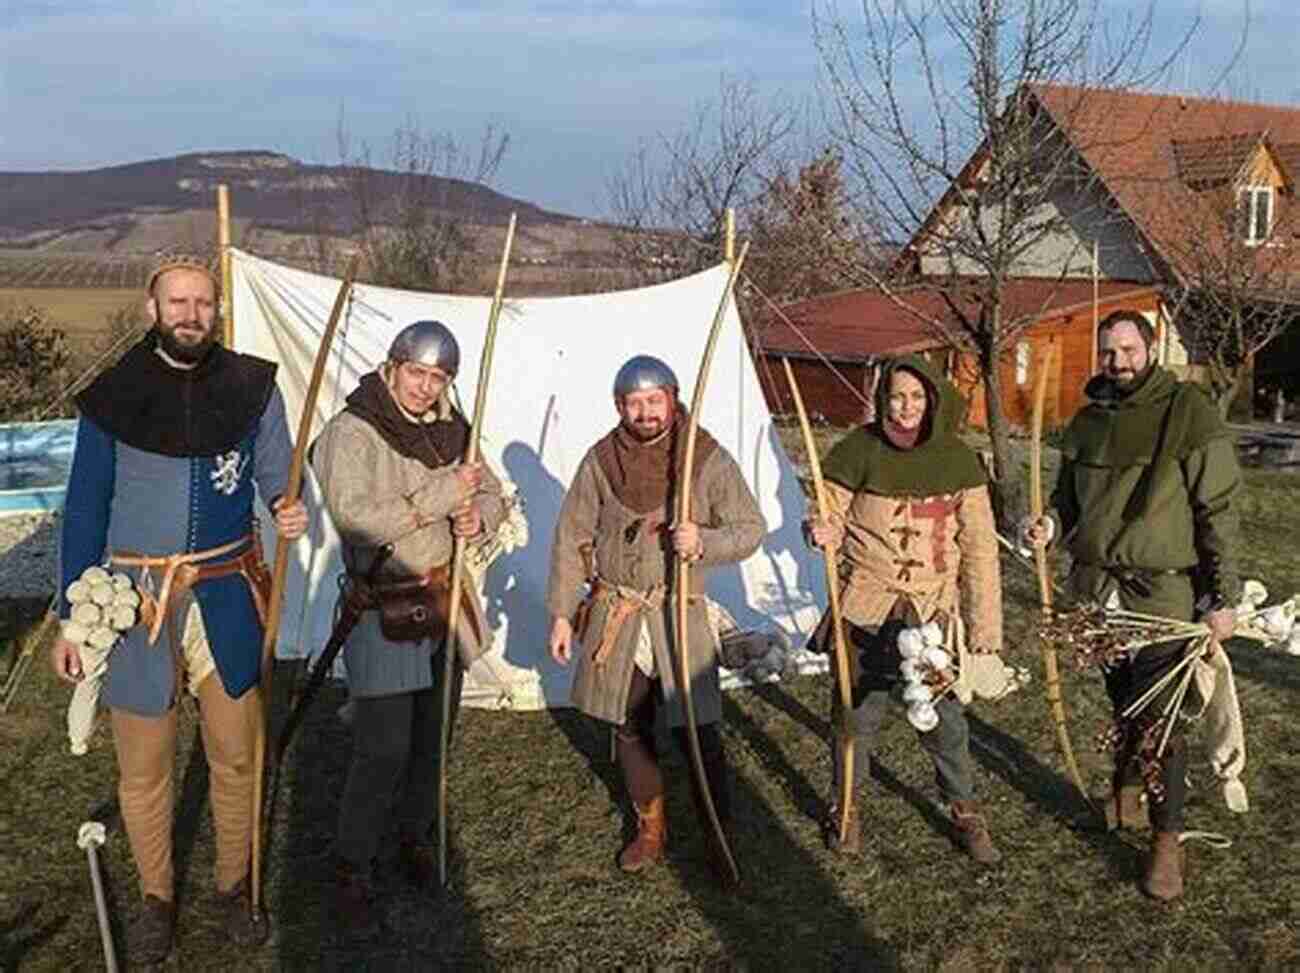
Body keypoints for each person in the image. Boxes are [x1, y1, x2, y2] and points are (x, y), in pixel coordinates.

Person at [50, 253, 308, 964]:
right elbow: (84, 512)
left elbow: (280, 474)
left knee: (235, 753)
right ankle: (158, 896)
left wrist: (289, 504)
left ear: (215, 310)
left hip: (227, 592)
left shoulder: (252, 388)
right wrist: (73, 621)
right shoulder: (113, 396)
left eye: (203, 303)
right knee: (144, 765)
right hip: (138, 605)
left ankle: (232, 885)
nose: (191, 314)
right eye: (178, 302)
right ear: (150, 308)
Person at [1024, 309, 1239, 902]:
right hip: (1097, 590)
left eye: (1128, 349)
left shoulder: (1188, 413)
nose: (1117, 362)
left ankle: (1166, 844)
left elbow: (1218, 508)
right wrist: (1048, 523)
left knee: (1160, 723)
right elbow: (1068, 501)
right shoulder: (1088, 420)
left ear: (1152, 347)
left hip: (1163, 592)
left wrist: (1221, 596)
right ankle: (1124, 799)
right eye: (1108, 352)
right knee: (1123, 705)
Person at [311, 320, 504, 928]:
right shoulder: (353, 430)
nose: (425, 388)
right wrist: (445, 497)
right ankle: (354, 861)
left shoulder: (454, 430)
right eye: (417, 373)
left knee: (431, 738)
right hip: (383, 606)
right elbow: (356, 517)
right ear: (392, 366)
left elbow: (493, 491)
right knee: (383, 746)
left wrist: (484, 518)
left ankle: (413, 835)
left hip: (444, 602)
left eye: (438, 377)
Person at [547, 355, 765, 881]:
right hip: (618, 611)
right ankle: (651, 827)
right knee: (628, 725)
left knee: (698, 729)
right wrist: (559, 613)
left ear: (672, 396)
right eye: (632, 402)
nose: (644, 411)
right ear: (619, 406)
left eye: (653, 400)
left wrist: (704, 541)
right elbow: (571, 538)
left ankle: (718, 830)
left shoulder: (704, 456)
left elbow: (750, 527)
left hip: (679, 612)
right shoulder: (601, 460)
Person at [806, 353, 1004, 864]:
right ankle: (846, 806)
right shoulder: (857, 449)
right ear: (882, 398)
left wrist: (984, 630)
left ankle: (963, 809)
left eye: (917, 396)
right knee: (855, 717)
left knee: (946, 723)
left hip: (933, 610)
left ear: (931, 400)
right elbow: (827, 510)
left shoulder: (959, 460)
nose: (906, 406)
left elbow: (980, 547)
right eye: (897, 395)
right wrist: (820, 528)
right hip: (867, 607)